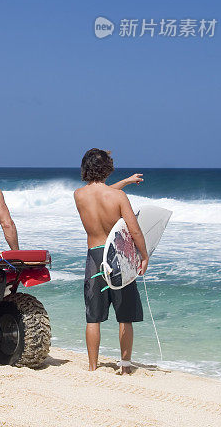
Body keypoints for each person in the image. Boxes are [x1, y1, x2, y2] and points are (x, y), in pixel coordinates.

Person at [74, 148, 149, 375]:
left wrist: (125, 181)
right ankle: (125, 368)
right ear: (108, 168)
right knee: (125, 315)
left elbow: (100, 193)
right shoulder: (118, 198)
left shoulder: (79, 195)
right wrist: (144, 256)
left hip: (94, 257)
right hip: (118, 257)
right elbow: (134, 230)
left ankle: (92, 366)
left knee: (93, 317)